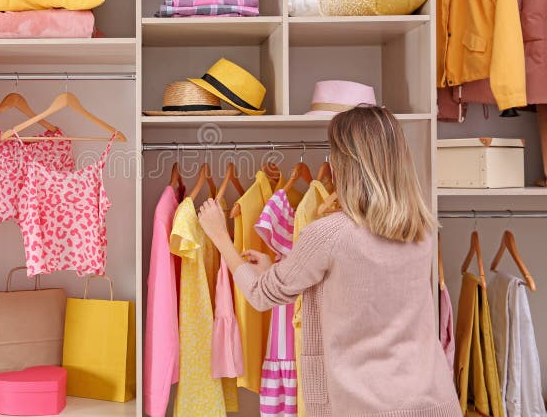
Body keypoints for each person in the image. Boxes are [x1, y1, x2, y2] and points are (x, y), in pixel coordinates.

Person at [198, 105, 461, 417]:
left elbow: (260, 294)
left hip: (366, 408)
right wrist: (275, 269)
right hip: (435, 402)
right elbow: (362, 288)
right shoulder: (420, 230)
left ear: (344, 164)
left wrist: (220, 237)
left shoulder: (328, 234)